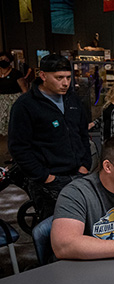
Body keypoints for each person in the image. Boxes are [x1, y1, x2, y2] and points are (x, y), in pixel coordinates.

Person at [8, 54, 92, 220]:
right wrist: (44, 176)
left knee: (81, 221)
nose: (65, 83)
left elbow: (83, 135)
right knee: (52, 227)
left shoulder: (73, 100)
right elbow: (18, 147)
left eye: (68, 77)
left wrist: (85, 165)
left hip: (78, 174)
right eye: (59, 78)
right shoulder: (25, 105)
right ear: (43, 76)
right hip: (48, 179)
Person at [0, 51, 28, 136]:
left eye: (5, 59)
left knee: (13, 122)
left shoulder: (16, 73)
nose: (3, 60)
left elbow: (24, 89)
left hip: (13, 100)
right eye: (1, 59)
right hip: (1, 102)